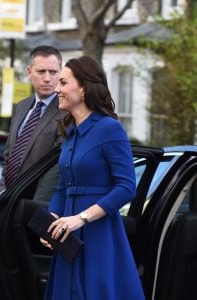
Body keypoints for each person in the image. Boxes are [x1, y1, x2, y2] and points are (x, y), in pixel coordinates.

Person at [42, 56, 145, 299]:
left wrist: (81, 218)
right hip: (68, 236)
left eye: (64, 82)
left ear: (84, 88)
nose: (57, 88)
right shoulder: (71, 132)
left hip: (99, 234)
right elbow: (63, 187)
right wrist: (52, 221)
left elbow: (126, 187)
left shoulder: (109, 129)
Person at [0, 45, 67, 193]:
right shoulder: (21, 107)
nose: (47, 78)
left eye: (53, 72)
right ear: (29, 72)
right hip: (9, 197)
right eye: (41, 71)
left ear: (60, 73)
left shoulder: (67, 111)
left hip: (38, 201)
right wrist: (4, 190)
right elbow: (9, 155)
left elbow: (57, 164)